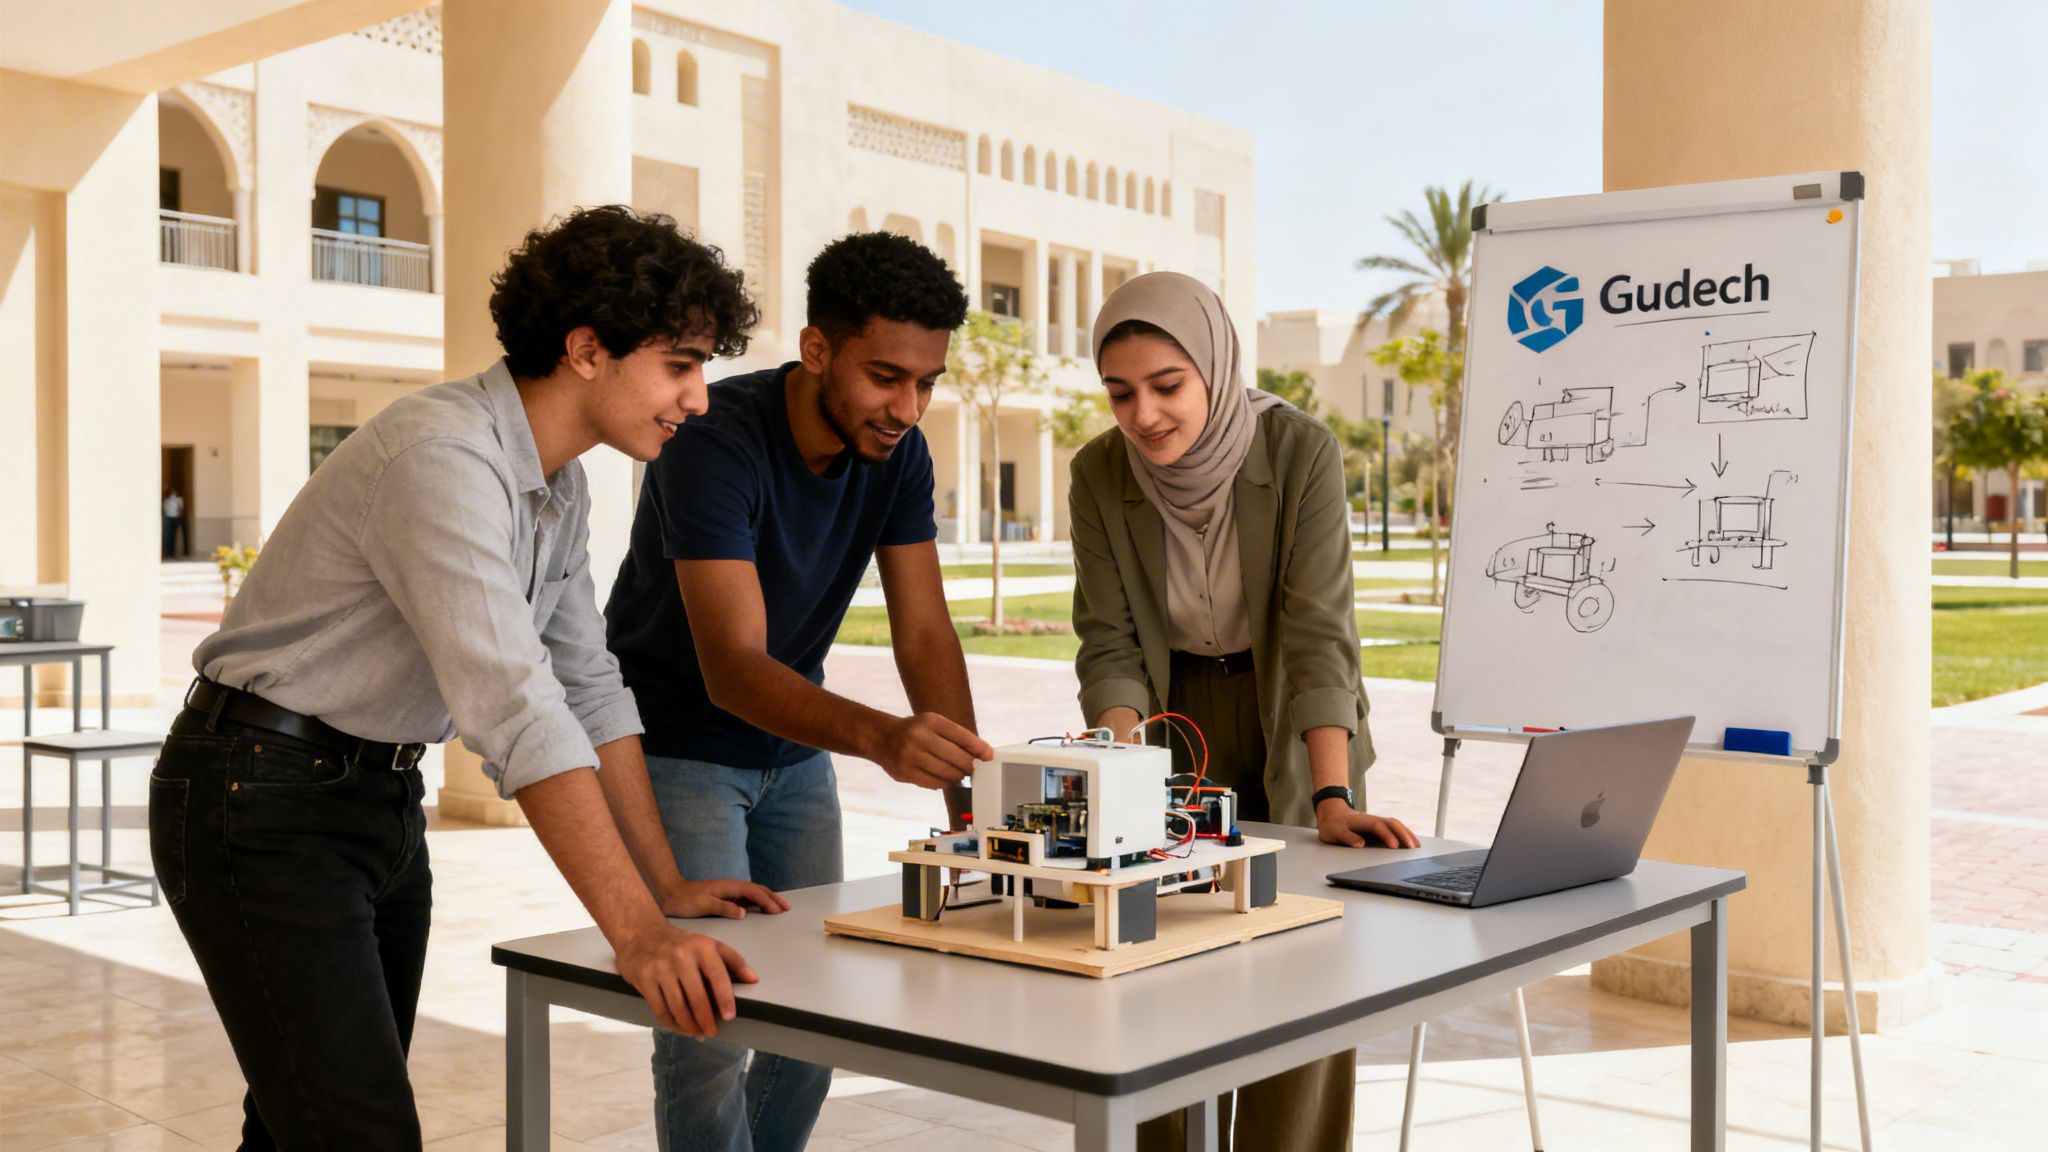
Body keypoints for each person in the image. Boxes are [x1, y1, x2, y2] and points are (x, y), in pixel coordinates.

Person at [152, 206, 787, 1151]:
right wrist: (635, 935)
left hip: (376, 797)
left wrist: (666, 887)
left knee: (297, 1128)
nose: (697, 399)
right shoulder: (442, 456)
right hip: (261, 797)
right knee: (356, 1134)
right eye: (681, 365)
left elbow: (587, 684)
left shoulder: (558, 484)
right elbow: (517, 707)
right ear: (586, 350)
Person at [604, 230, 993, 1152]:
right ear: (817, 349)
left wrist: (974, 810)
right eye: (886, 377)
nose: (907, 407)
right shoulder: (712, 440)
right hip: (677, 752)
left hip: (797, 756)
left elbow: (924, 632)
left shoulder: (899, 454)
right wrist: (884, 738)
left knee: (818, 1016)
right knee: (708, 1025)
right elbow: (732, 666)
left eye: (927, 382)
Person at [1067, 271, 1419, 1152]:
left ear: (1216, 369)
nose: (1144, 415)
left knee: (1299, 965)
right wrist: (1125, 784)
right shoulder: (1098, 473)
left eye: (1167, 385)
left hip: (1291, 717)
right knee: (1154, 964)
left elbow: (1319, 633)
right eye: (1120, 393)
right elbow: (1110, 644)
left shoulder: (1300, 451)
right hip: (1170, 720)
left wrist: (1331, 796)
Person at [162, 488, 186, 558]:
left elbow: (180, 509)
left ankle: (171, 553)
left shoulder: (169, 500)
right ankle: (172, 553)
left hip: (171, 518)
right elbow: (181, 509)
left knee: (170, 536)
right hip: (173, 518)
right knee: (172, 536)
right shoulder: (175, 500)